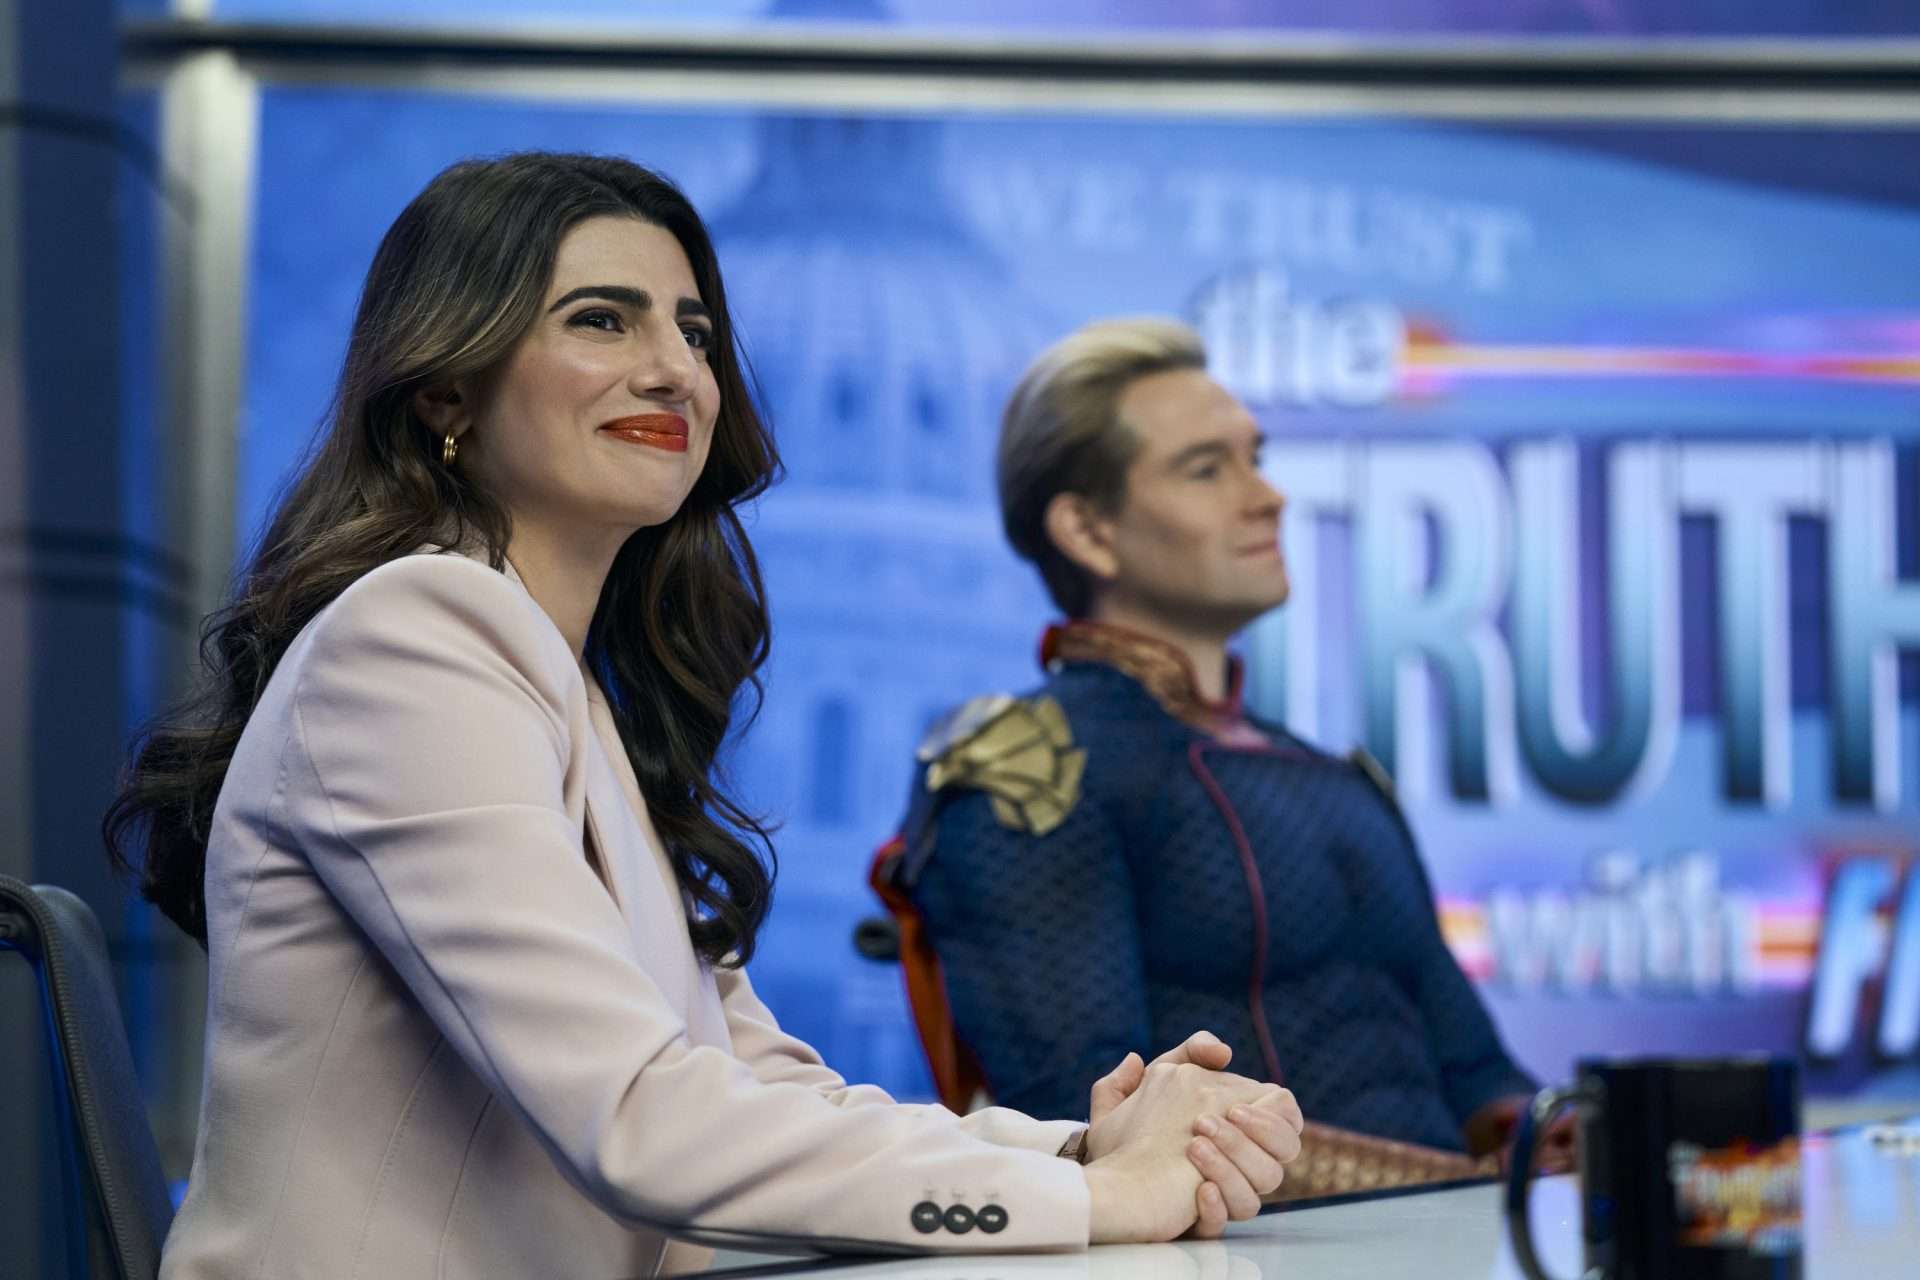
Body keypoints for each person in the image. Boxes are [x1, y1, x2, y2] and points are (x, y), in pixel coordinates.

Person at [105, 157, 1305, 1279]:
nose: (673, 369)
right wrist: (1095, 1202)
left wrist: (1079, 1150)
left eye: (693, 332)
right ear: (444, 387)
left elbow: (757, 1083)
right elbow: (643, 1117)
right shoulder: (413, 637)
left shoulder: (568, 690)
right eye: (601, 320)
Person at [878, 317, 1557, 1171]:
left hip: (1450, 1228)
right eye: (1206, 469)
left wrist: (1553, 1136)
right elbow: (1086, 1121)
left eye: (1254, 459)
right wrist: (1440, 1189)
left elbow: (1476, 1073)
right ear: (1088, 531)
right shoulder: (1029, 771)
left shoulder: (1333, 778)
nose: (1267, 497)